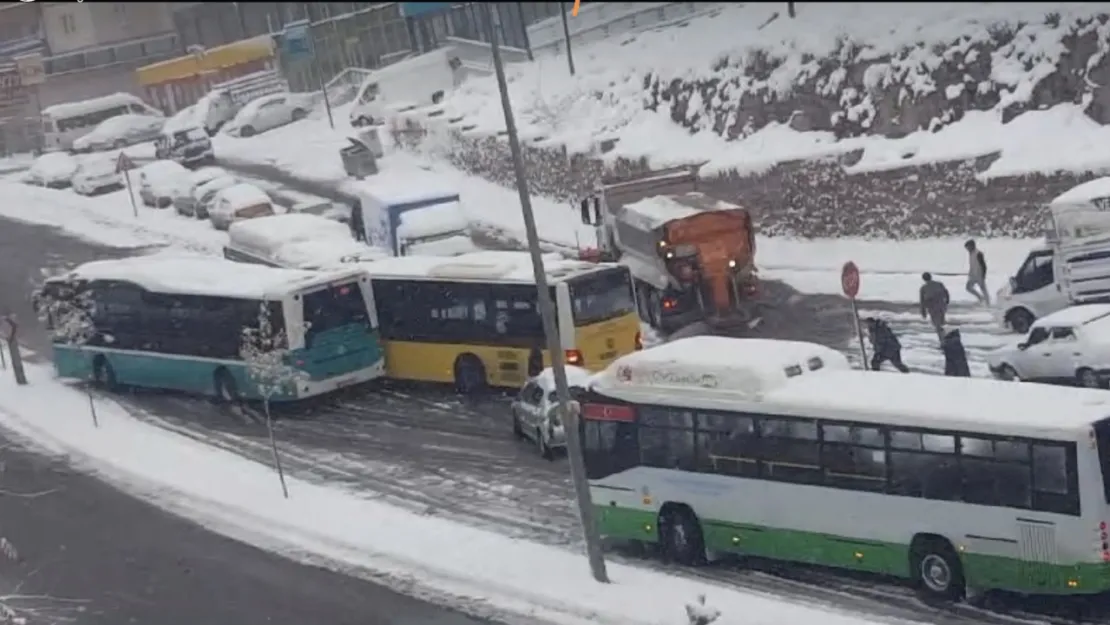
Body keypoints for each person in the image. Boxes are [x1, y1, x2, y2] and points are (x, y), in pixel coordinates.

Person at [919, 272, 950, 339]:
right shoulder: (939, 284)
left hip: (933, 308)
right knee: (940, 323)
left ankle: (943, 338)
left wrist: (923, 312)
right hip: (942, 306)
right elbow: (946, 292)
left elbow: (922, 301)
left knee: (937, 324)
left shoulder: (924, 288)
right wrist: (947, 301)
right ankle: (943, 337)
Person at [965, 239, 989, 306]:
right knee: (968, 287)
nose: (967, 249)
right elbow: (972, 265)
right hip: (973, 275)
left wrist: (983, 276)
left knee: (983, 289)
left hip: (979, 275)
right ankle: (980, 298)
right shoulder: (970, 254)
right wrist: (970, 273)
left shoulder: (978, 254)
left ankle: (988, 303)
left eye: (968, 247)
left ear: (972, 246)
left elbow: (984, 266)